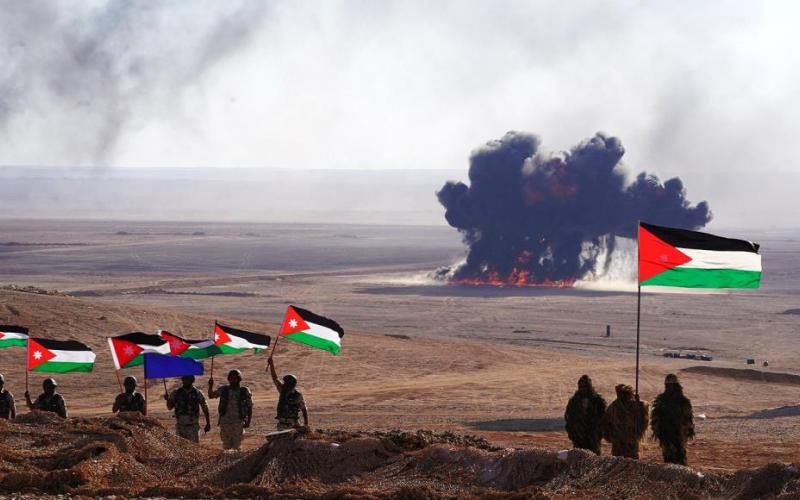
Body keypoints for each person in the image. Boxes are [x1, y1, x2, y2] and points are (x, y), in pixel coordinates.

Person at [650, 373, 695, 465]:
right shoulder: (661, 400)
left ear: (676, 386)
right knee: (668, 458)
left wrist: (686, 431)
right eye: (667, 385)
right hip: (666, 434)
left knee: (680, 457)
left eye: (671, 385)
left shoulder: (683, 401)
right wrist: (658, 430)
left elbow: (688, 418)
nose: (669, 388)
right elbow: (655, 417)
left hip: (679, 434)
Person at [208, 369, 252, 450]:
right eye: (231, 378)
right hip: (225, 421)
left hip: (238, 421)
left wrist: (248, 421)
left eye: (235, 378)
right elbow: (211, 396)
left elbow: (250, 406)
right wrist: (210, 385)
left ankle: (236, 458)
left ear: (239, 379)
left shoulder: (244, 391)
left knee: (237, 445)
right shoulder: (224, 390)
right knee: (226, 445)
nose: (233, 380)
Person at [601, 384, 648, 459]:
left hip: (631, 441)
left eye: (625, 394)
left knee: (632, 462)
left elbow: (643, 412)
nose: (623, 396)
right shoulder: (613, 407)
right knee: (619, 462)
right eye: (621, 394)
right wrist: (611, 437)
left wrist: (639, 403)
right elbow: (606, 422)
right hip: (618, 442)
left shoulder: (634, 405)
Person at [564, 374, 606, 454]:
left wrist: (599, 432)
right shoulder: (574, 401)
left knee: (593, 457)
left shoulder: (597, 400)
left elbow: (603, 417)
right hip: (578, 436)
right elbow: (569, 418)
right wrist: (572, 433)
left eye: (585, 387)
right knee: (579, 456)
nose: (583, 389)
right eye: (581, 387)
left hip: (593, 436)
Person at [165, 375, 210, 442]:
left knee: (193, 447)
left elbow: (205, 408)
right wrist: (168, 400)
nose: (185, 381)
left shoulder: (197, 393)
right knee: (180, 447)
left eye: (187, 379)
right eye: (184, 379)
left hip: (193, 427)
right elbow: (169, 407)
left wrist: (208, 423)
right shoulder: (176, 393)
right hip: (180, 426)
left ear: (192, 380)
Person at [267, 357, 308, 431]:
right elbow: (275, 378)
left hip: (292, 423)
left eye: (286, 383)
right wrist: (271, 365)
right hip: (282, 422)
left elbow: (304, 409)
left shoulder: (297, 395)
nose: (284, 384)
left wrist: (306, 424)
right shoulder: (282, 390)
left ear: (291, 384)